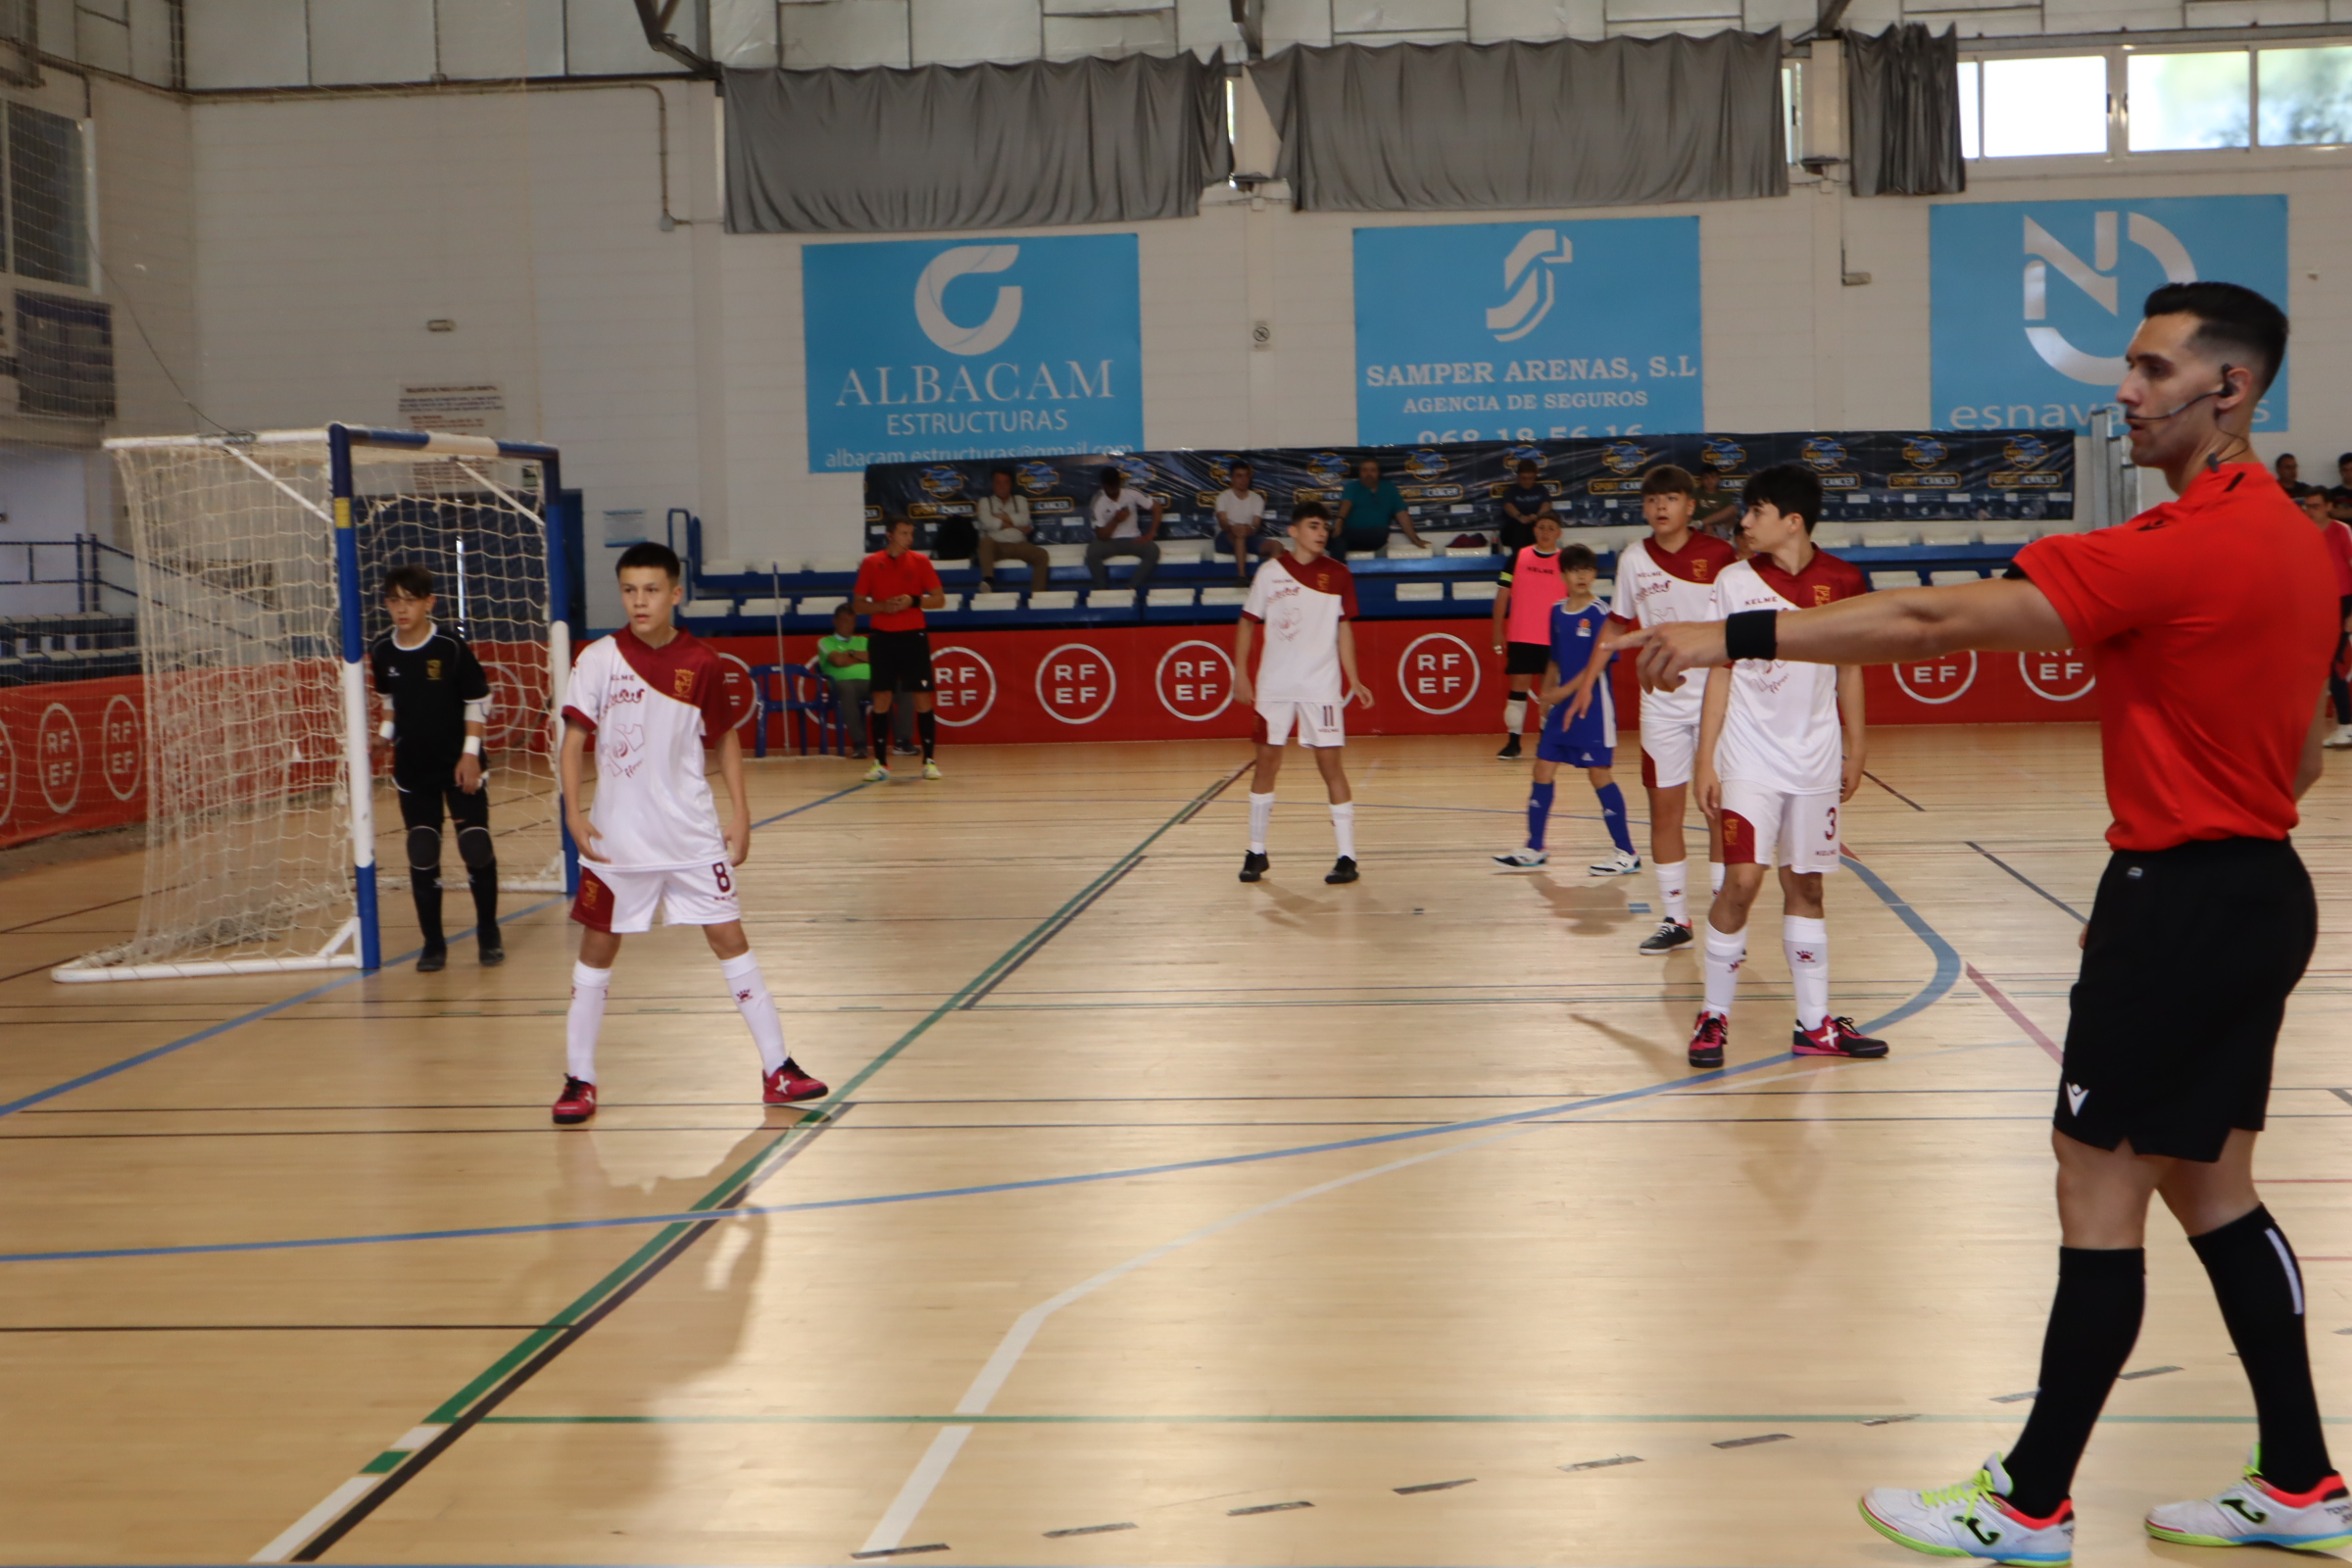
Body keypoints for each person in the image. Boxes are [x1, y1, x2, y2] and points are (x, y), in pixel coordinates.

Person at [1621, 281, 2347, 1563]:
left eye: (2150, 367)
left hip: (2181, 897)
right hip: (2258, 893)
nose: (2124, 389)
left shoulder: (2178, 543)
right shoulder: (2299, 542)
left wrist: (1723, 631)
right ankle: (2299, 1480)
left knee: (2099, 1190)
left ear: (2227, 389)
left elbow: (1927, 616)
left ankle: (2028, 1504)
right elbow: (2302, 766)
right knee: (2215, 1188)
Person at [552, 541, 827, 1127]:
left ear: (676, 593)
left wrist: (740, 812)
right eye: (629, 590)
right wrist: (574, 814)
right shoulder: (597, 658)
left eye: (651, 590)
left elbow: (723, 738)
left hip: (691, 834)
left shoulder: (703, 662)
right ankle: (580, 1078)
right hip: (617, 840)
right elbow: (573, 741)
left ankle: (778, 1069)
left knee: (730, 937)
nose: (639, 601)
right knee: (598, 947)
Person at [1680, 463, 1882, 1070]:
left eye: (1755, 511)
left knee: (1808, 886)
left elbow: (1851, 667)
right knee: (1741, 881)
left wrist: (1858, 746)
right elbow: (1720, 669)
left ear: (1791, 521)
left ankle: (1814, 1025)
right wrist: (1705, 757)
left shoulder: (1845, 580)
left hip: (1815, 757)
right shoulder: (1734, 581)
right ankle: (1713, 1015)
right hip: (1748, 757)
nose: (1744, 521)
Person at [1565, 466, 1738, 956]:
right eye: (1653, 500)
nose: (1661, 507)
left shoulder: (1720, 556)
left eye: (1671, 499)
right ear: (1645, 508)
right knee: (1664, 812)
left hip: (1716, 700)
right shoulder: (1633, 559)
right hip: (1660, 704)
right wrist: (1585, 683)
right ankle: (1675, 918)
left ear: (1689, 506)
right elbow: (1616, 626)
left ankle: (1728, 917)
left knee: (1717, 809)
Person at [369, 564, 502, 973]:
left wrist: (469, 754)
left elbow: (478, 701)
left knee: (474, 847)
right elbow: (391, 702)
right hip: (414, 768)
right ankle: (433, 943)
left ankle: (488, 932)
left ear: (429, 602)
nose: (401, 609)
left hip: (458, 763)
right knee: (422, 851)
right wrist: (383, 736)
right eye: (394, 601)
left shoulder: (449, 646)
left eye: (410, 600)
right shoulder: (382, 651)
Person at [1233, 502, 1372, 886]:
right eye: (1313, 525)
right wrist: (1239, 674)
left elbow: (1344, 629)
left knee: (1331, 767)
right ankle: (1256, 851)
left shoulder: (1339, 574)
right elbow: (1246, 625)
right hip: (1273, 686)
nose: (1322, 532)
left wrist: (1354, 679)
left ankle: (1347, 857)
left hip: (1320, 686)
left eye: (1325, 526)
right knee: (1266, 764)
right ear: (1293, 531)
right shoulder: (1268, 573)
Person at [1492, 543, 1640, 875]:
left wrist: (1560, 693)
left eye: (1588, 569)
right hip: (1560, 708)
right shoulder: (1557, 611)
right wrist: (1547, 697)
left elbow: (1595, 667)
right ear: (1564, 575)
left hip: (1593, 709)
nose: (1582, 575)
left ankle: (1626, 852)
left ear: (1594, 574)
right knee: (1542, 769)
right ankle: (1534, 847)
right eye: (1575, 570)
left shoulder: (1602, 613)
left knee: (1599, 775)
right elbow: (1555, 660)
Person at [852, 518, 948, 781]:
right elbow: (858, 605)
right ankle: (880, 763)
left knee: (922, 697)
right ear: (890, 535)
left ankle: (929, 761)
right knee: (881, 698)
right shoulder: (871, 563)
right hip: (883, 638)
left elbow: (939, 599)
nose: (909, 538)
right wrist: (882, 607)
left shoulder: (920, 562)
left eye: (911, 533)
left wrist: (912, 600)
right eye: (904, 533)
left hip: (913, 637)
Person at [1492, 513, 1567, 760]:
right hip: (1522, 635)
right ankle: (1513, 743)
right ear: (1535, 530)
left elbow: (1575, 601)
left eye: (1551, 528)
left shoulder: (1566, 561)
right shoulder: (1518, 558)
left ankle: (1547, 743)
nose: (1546, 532)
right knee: (1518, 690)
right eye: (1542, 527)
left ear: (1559, 533)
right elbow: (1502, 595)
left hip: (1554, 637)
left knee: (1549, 692)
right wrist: (1496, 631)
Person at [2300, 490, 2352, 749]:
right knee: (2316, 666)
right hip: (2314, 604)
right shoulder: (2301, 533)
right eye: (2308, 506)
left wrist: (2351, 614)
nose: (2312, 511)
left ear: (2329, 506)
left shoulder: (2341, 531)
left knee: (2334, 665)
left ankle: (2346, 725)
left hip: (2341, 603)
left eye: (2317, 506)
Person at [1085, 467, 1162, 592]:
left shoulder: (1132, 491)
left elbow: (1157, 507)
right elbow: (1101, 535)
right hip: (1110, 542)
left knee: (1153, 550)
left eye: (1115, 486)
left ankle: (1131, 587)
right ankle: (1102, 590)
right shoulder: (1097, 500)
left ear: (1120, 482)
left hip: (1133, 539)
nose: (1114, 490)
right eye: (1110, 487)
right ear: (1103, 485)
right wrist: (1115, 520)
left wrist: (1151, 533)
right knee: (1092, 552)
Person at [1336, 457, 1428, 560]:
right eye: (1364, 470)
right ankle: (1338, 574)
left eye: (1373, 470)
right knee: (1336, 540)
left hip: (1377, 535)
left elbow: (1402, 515)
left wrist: (1415, 539)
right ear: (1360, 472)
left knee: (1379, 532)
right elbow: (1346, 504)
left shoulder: (1389, 488)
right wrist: (1340, 521)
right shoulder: (1352, 487)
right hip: (1352, 535)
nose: (1368, 474)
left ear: (1378, 473)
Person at [975, 467, 1050, 593]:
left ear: (1011, 484)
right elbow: (987, 522)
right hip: (996, 547)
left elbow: (1024, 519)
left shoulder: (1020, 500)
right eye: (998, 482)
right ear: (993, 484)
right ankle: (988, 581)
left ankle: (1038, 594)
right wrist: (1014, 524)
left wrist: (1000, 518)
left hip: (1018, 545)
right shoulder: (985, 502)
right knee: (985, 542)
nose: (1002, 486)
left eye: (1006, 482)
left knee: (1042, 554)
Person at [816, 604, 872, 759]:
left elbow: (874, 657)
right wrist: (860, 658)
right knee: (847, 689)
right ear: (836, 622)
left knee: (901, 688)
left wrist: (850, 654)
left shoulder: (863, 640)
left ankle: (902, 741)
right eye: (845, 621)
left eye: (852, 621)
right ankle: (859, 744)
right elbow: (838, 661)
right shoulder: (825, 642)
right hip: (842, 684)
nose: (849, 625)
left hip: (871, 683)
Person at [1214, 460, 1278, 579]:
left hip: (1249, 536)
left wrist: (1250, 529)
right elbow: (1223, 523)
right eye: (1239, 476)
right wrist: (1234, 529)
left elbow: (1256, 524)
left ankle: (1274, 578)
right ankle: (1242, 577)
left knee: (1276, 546)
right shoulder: (1223, 497)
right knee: (1239, 535)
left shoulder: (1257, 498)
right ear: (1232, 478)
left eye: (1246, 476)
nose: (1243, 480)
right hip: (1225, 538)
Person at [1496, 459, 1555, 554]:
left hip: (1536, 528)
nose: (1527, 481)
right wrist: (1520, 517)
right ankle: (1519, 562)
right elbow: (1508, 506)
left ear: (1535, 476)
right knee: (1521, 529)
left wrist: (1538, 516)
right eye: (1523, 478)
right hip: (1515, 530)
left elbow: (1546, 505)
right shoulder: (1511, 491)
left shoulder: (1541, 489)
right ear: (1518, 477)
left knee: (1538, 529)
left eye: (1530, 478)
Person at [1693, 468, 1741, 538]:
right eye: (1706, 477)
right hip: (1698, 528)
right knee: (1708, 526)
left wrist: (1702, 522)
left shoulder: (1724, 495)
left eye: (1713, 477)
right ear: (1701, 480)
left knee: (1733, 508)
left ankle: (1701, 523)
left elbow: (1729, 514)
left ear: (1718, 479)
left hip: (1719, 527)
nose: (1710, 481)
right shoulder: (1695, 494)